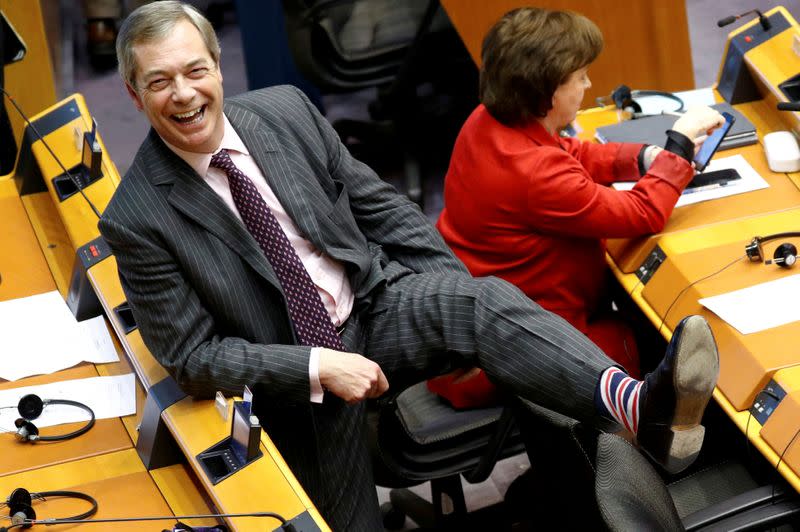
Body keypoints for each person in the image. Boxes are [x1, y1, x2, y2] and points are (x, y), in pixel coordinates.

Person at [99, 2, 720, 529]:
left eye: (195, 71)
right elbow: (192, 358)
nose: (183, 94)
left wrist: (443, 288)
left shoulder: (284, 110)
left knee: (480, 301)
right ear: (133, 93)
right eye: (159, 82)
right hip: (295, 376)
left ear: (216, 69)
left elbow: (379, 204)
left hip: (372, 303)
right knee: (342, 522)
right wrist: (318, 366)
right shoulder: (137, 217)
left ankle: (641, 409)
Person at [431, 7, 725, 410]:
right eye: (581, 77)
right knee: (663, 349)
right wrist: (677, 149)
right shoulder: (536, 174)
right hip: (519, 348)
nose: (589, 84)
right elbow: (642, 213)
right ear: (548, 91)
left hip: (481, 325)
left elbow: (566, 150)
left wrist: (643, 158)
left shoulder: (488, 119)